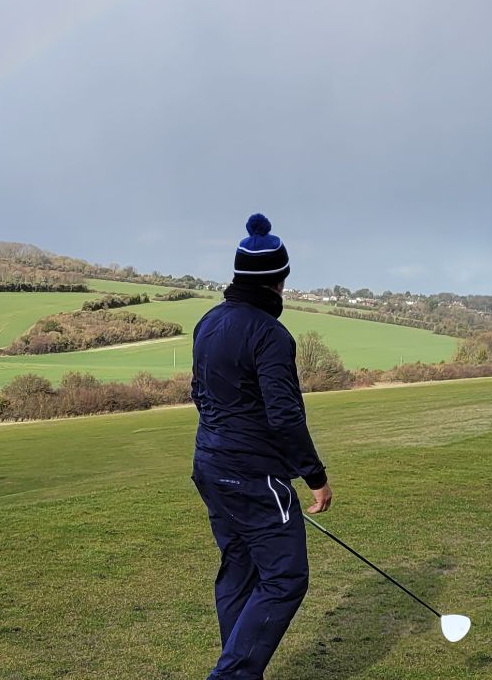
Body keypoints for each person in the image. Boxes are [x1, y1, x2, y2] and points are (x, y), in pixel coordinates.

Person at [189, 213, 330, 680]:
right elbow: (285, 414)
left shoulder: (208, 322)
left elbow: (200, 394)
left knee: (241, 569)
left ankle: (238, 671)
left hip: (209, 465)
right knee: (286, 577)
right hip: (251, 475)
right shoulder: (271, 334)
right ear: (277, 281)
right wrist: (315, 477)